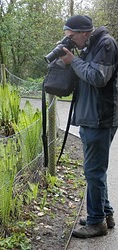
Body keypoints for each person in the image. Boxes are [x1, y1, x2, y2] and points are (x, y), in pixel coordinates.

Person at [60, 15, 118, 238]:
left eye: (72, 37)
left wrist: (73, 61)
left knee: (93, 171)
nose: (71, 41)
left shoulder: (106, 44)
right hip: (90, 117)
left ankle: (96, 223)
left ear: (84, 32)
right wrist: (70, 59)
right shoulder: (89, 46)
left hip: (100, 118)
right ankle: (105, 214)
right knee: (95, 171)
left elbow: (97, 77)